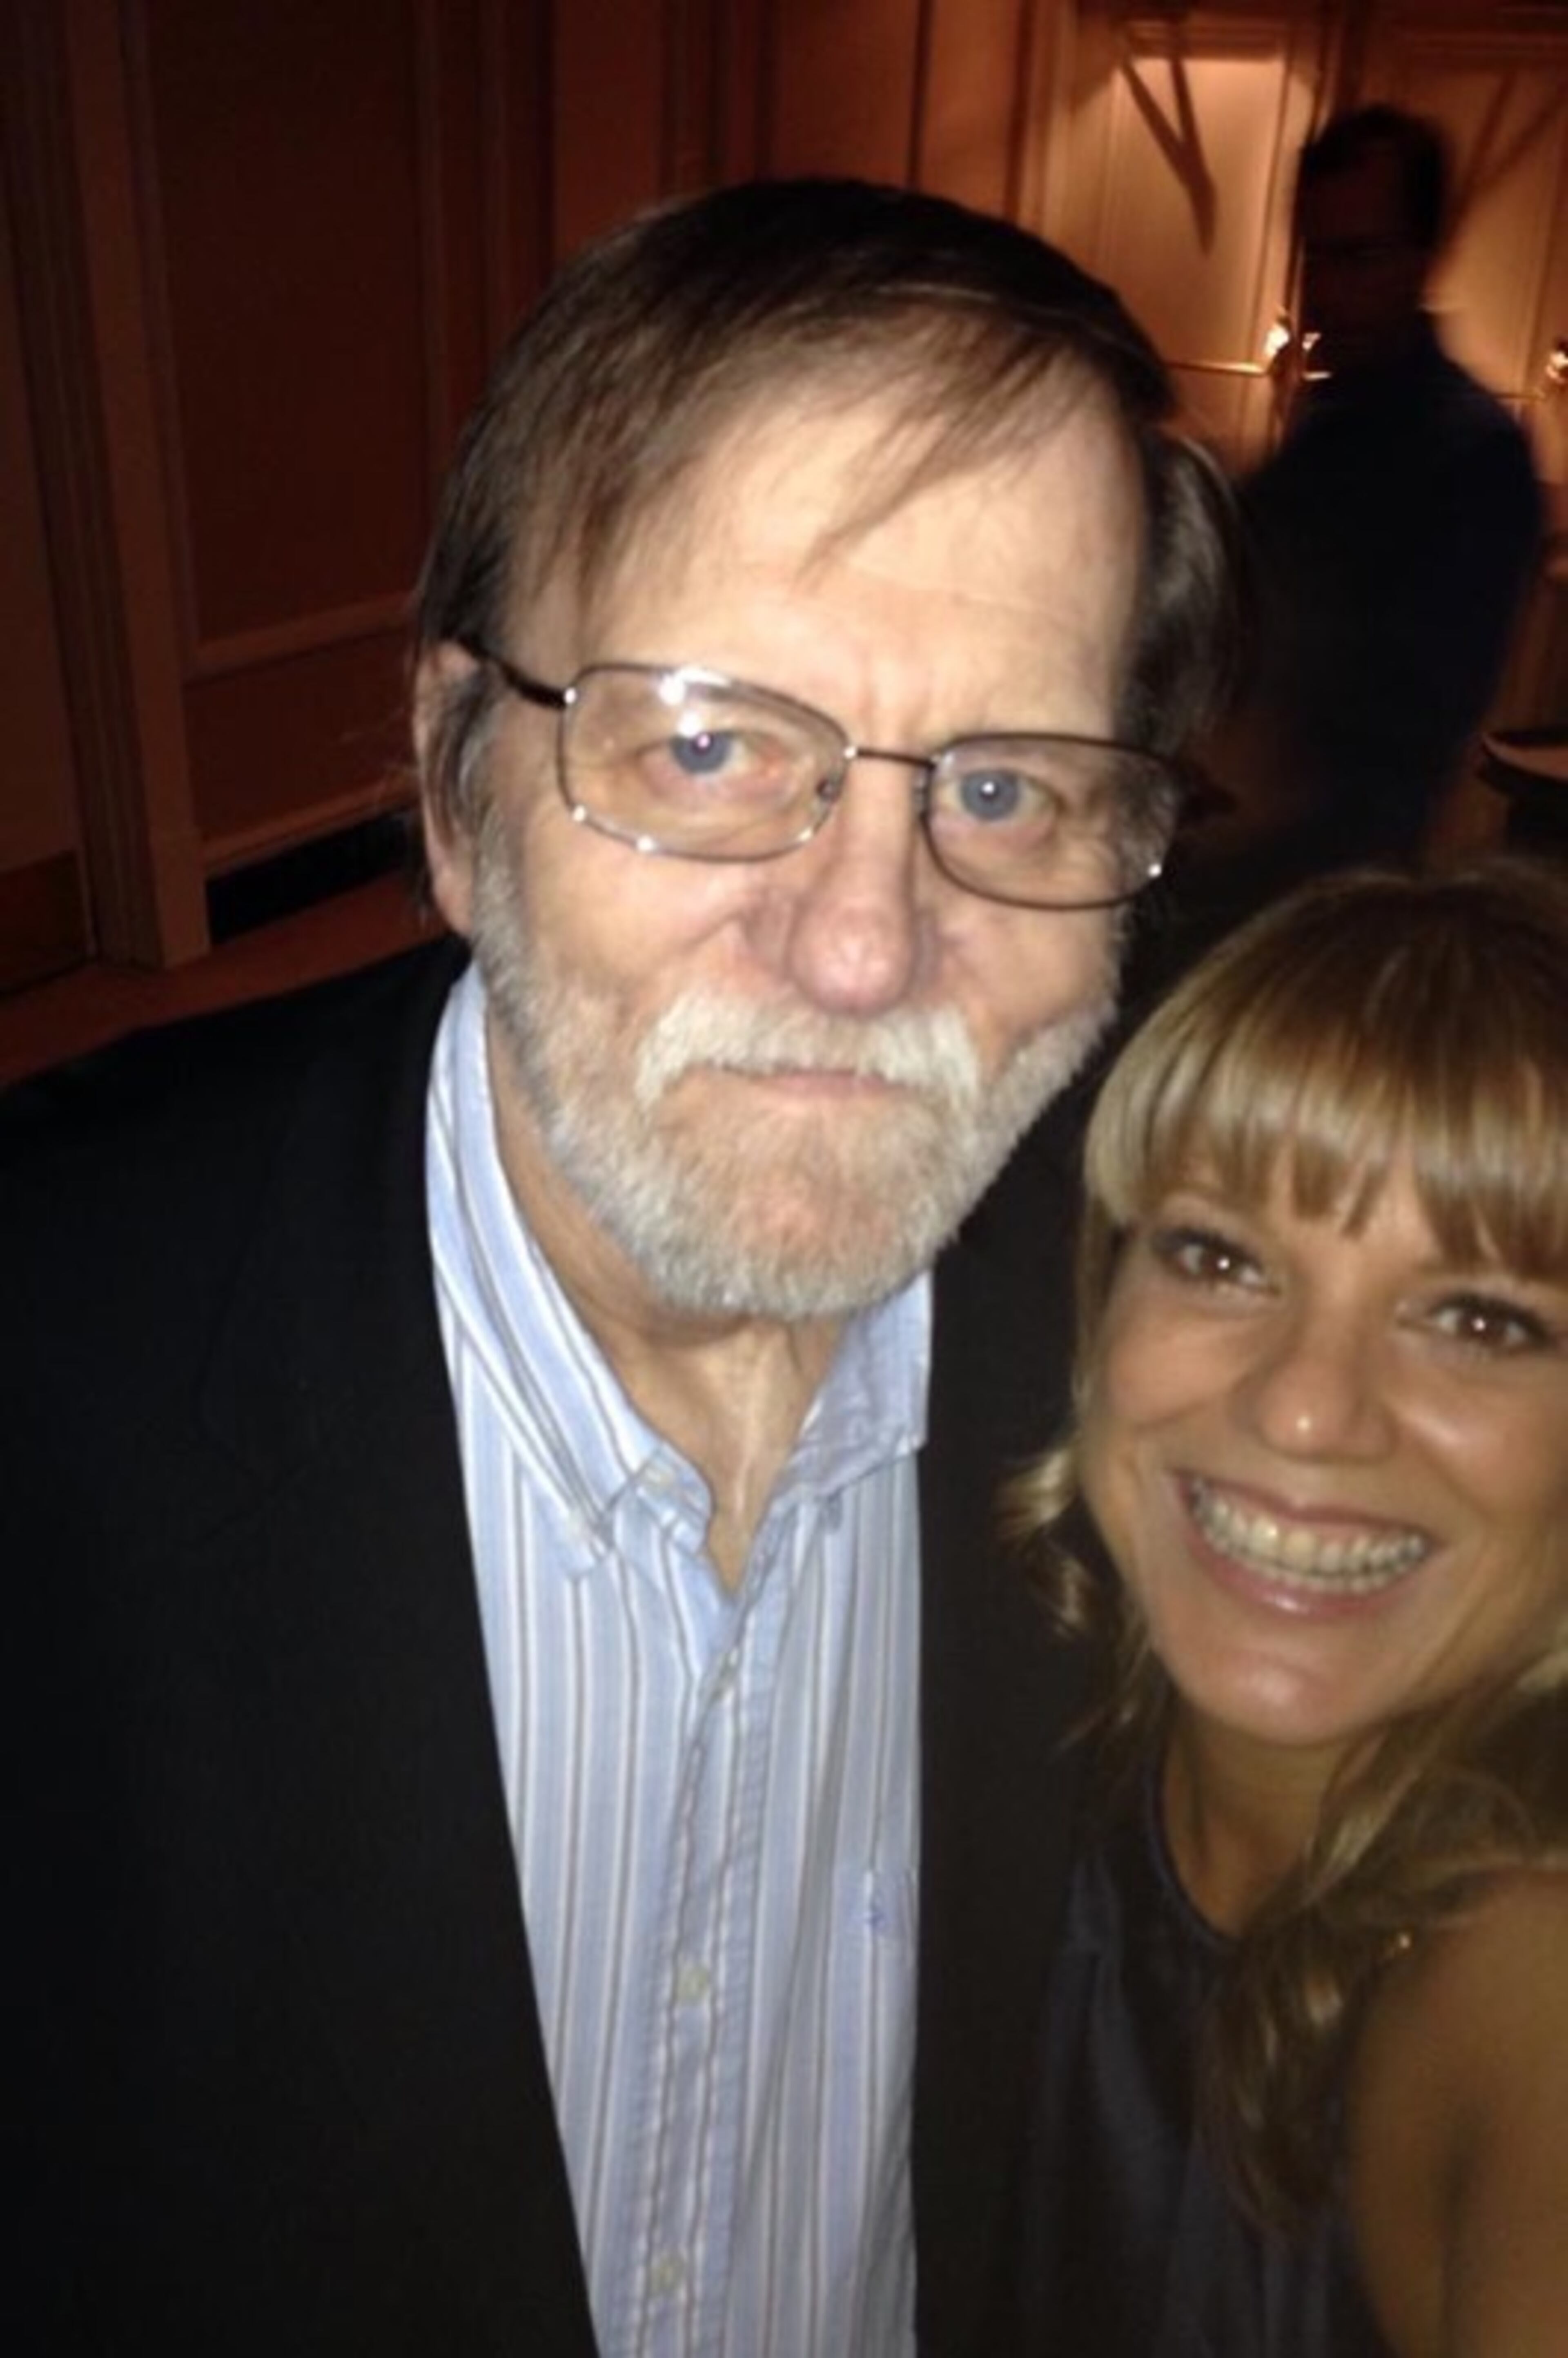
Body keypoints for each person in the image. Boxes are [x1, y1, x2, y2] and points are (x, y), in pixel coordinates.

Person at [8, 178, 1238, 2355]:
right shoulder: (53, 1356)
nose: (865, 942)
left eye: (1006, 784)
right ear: (458, 788)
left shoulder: (1198, 1342)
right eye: (702, 743)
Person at [1006, 861, 1568, 2354]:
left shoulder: (1524, 1978)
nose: (1310, 1411)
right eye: (1221, 1254)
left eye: (1482, 1317)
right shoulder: (1004, 1721)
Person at [1204, 107, 1543, 915]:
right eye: (1315, 256)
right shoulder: (1329, 419)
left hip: (1318, 891)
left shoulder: (1471, 453)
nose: (1325, 291)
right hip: (1243, 859)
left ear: (1428, 255)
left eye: (1360, 256)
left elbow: (1405, 729)